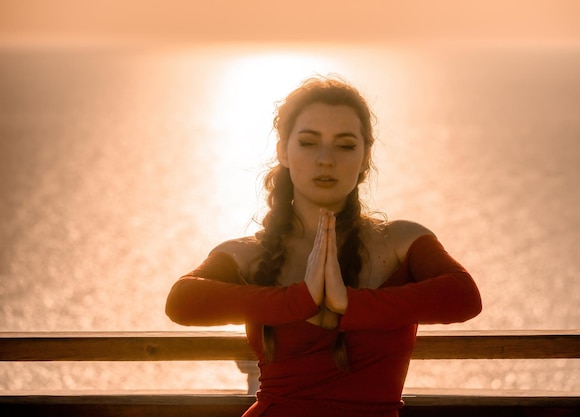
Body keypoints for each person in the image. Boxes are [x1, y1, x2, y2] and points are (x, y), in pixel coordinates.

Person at [165, 76, 482, 417]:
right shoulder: (248, 253)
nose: (326, 159)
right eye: (309, 143)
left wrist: (348, 305)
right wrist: (300, 299)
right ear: (283, 151)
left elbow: (464, 296)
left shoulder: (401, 242)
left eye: (345, 145)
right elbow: (182, 302)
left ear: (365, 158)